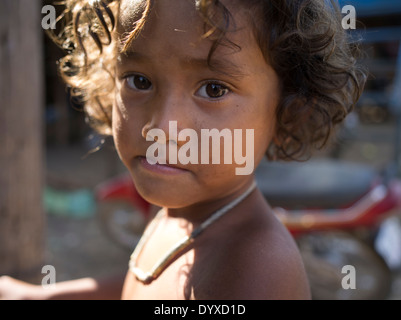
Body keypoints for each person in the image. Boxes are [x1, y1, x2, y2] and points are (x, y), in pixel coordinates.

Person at [0, 0, 365, 300]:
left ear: (288, 113)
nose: (161, 128)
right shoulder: (185, 215)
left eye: (214, 89)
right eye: (138, 81)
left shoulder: (256, 269)